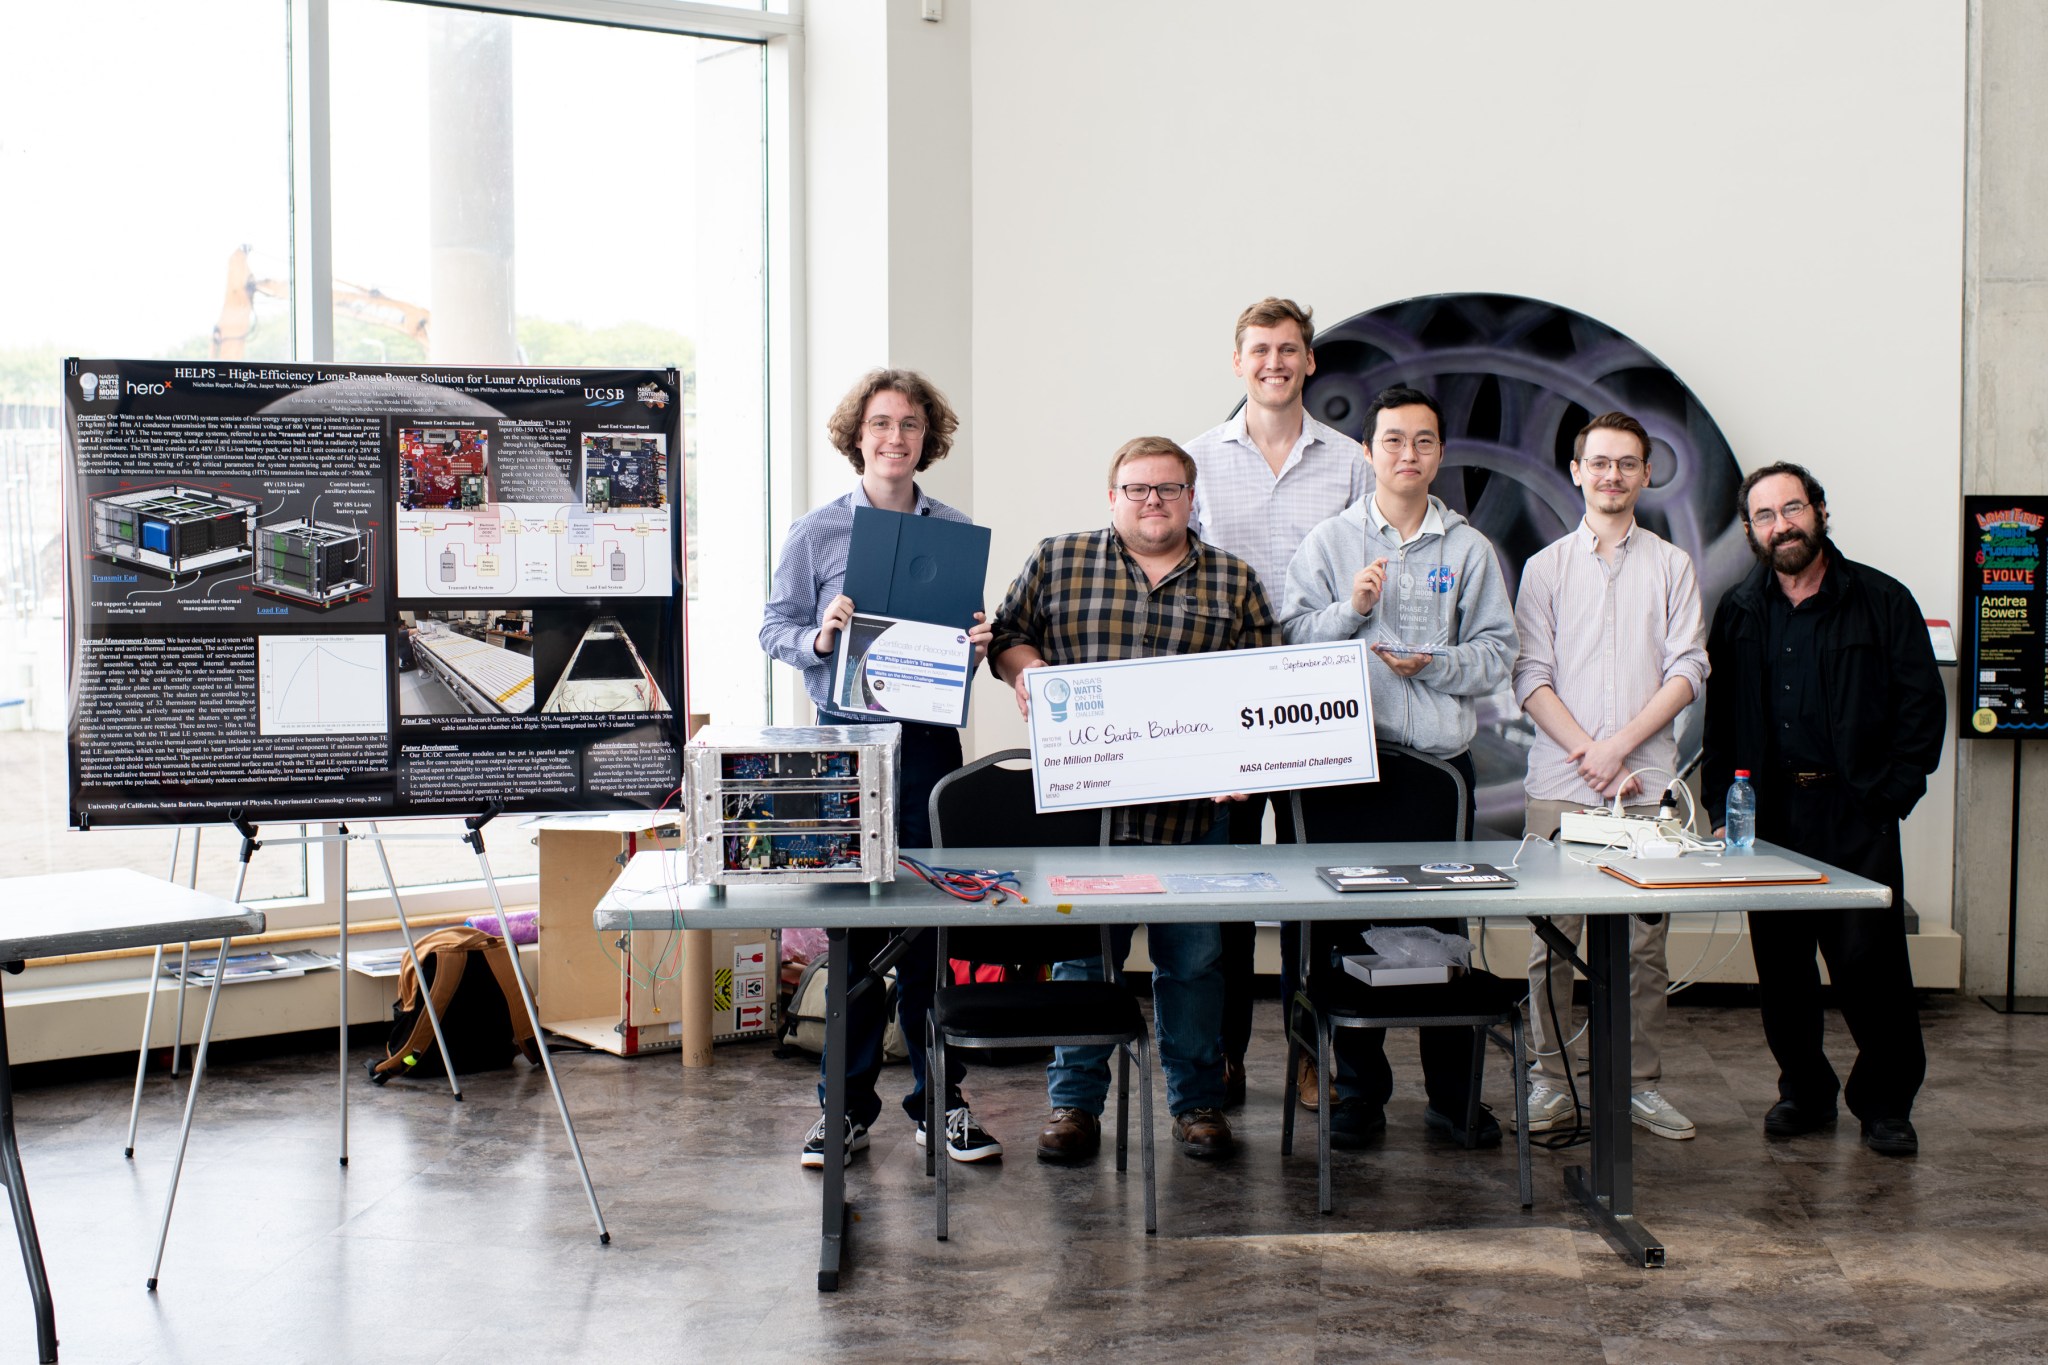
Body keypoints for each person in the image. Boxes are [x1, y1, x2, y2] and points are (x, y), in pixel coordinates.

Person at [988, 435, 1278, 1162]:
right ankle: (1074, 1106)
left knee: (1196, 962)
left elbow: (1265, 680)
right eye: (1139, 488)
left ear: (1190, 497)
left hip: (1194, 813)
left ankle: (1199, 1102)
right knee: (1085, 962)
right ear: (1112, 496)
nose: (1154, 501)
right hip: (1088, 813)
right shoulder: (1059, 558)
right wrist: (1029, 674)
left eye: (1169, 489)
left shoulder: (1233, 580)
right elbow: (1008, 636)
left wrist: (1248, 755)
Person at [760, 367, 999, 1170]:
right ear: (855, 436)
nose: (895, 438)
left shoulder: (955, 532)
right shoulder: (817, 532)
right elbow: (775, 627)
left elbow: (958, 656)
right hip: (848, 747)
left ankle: (941, 1101)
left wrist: (976, 647)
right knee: (854, 936)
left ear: (929, 439)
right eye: (881, 424)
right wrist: (821, 640)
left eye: (910, 426)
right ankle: (844, 1109)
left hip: (929, 748)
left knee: (934, 931)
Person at [1279, 384, 1518, 1149]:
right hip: (1349, 773)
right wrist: (1350, 610)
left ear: (1439, 453)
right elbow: (1290, 643)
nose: (1406, 454)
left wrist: (1435, 665)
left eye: (1422, 441)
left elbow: (1497, 656)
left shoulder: (1469, 548)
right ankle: (1358, 1096)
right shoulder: (1330, 543)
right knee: (1346, 935)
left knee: (1444, 933)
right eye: (1392, 440)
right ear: (1368, 451)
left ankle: (1454, 1097)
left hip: (1439, 771)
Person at [1701, 461, 1945, 1157]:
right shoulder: (1741, 611)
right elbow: (1721, 723)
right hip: (1766, 817)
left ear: (1820, 510)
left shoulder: (1881, 599)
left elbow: (1921, 708)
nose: (1783, 525)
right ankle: (1803, 1090)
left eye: (1793, 508)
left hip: (1854, 813)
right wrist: (1723, 808)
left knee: (1871, 967)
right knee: (1781, 970)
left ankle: (1885, 1102)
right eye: (1766, 515)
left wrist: (1890, 796)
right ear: (1752, 530)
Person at [1184, 296, 1369, 1108]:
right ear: (1237, 362)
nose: (1274, 363)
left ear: (1310, 361)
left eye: (1289, 349)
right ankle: (1223, 1057)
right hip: (1225, 698)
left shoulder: (1352, 464)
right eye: (1259, 349)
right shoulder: (1196, 461)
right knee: (1225, 889)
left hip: (1318, 698)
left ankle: (1307, 1053)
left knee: (1313, 890)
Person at [1511, 411, 1709, 1141]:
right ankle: (1551, 1083)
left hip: (1646, 784)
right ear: (1575, 470)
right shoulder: (1546, 567)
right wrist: (1587, 753)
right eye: (1600, 462)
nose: (1613, 475)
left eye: (1627, 463)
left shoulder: (1673, 566)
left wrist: (1619, 747)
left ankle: (1635, 1083)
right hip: (1559, 785)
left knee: (1644, 949)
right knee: (1551, 942)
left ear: (1647, 474)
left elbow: (1688, 668)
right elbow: (1529, 676)